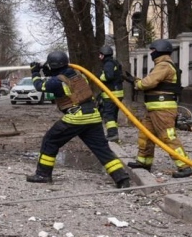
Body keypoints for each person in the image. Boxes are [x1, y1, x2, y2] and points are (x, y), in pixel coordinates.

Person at [26, 51, 131, 188]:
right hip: (93, 116)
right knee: (102, 149)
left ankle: (43, 174)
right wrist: (47, 70)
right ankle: (122, 178)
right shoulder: (78, 75)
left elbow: (40, 86)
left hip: (77, 117)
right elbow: (62, 77)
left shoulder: (57, 82)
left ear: (52, 65)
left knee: (50, 140)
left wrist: (35, 73)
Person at [126, 39, 192, 178]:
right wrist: (135, 80)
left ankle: (185, 166)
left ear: (158, 51)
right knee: (145, 135)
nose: (151, 53)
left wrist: (137, 83)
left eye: (152, 51)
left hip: (163, 110)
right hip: (153, 109)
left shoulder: (164, 65)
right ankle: (144, 162)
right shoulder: (161, 65)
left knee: (168, 137)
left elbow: (149, 82)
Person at [97, 45, 125, 142]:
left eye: (100, 55)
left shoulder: (108, 64)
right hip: (117, 93)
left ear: (103, 55)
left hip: (111, 94)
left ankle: (112, 134)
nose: (99, 57)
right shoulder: (114, 62)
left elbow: (108, 77)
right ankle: (114, 133)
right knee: (113, 115)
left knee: (108, 115)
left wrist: (100, 77)